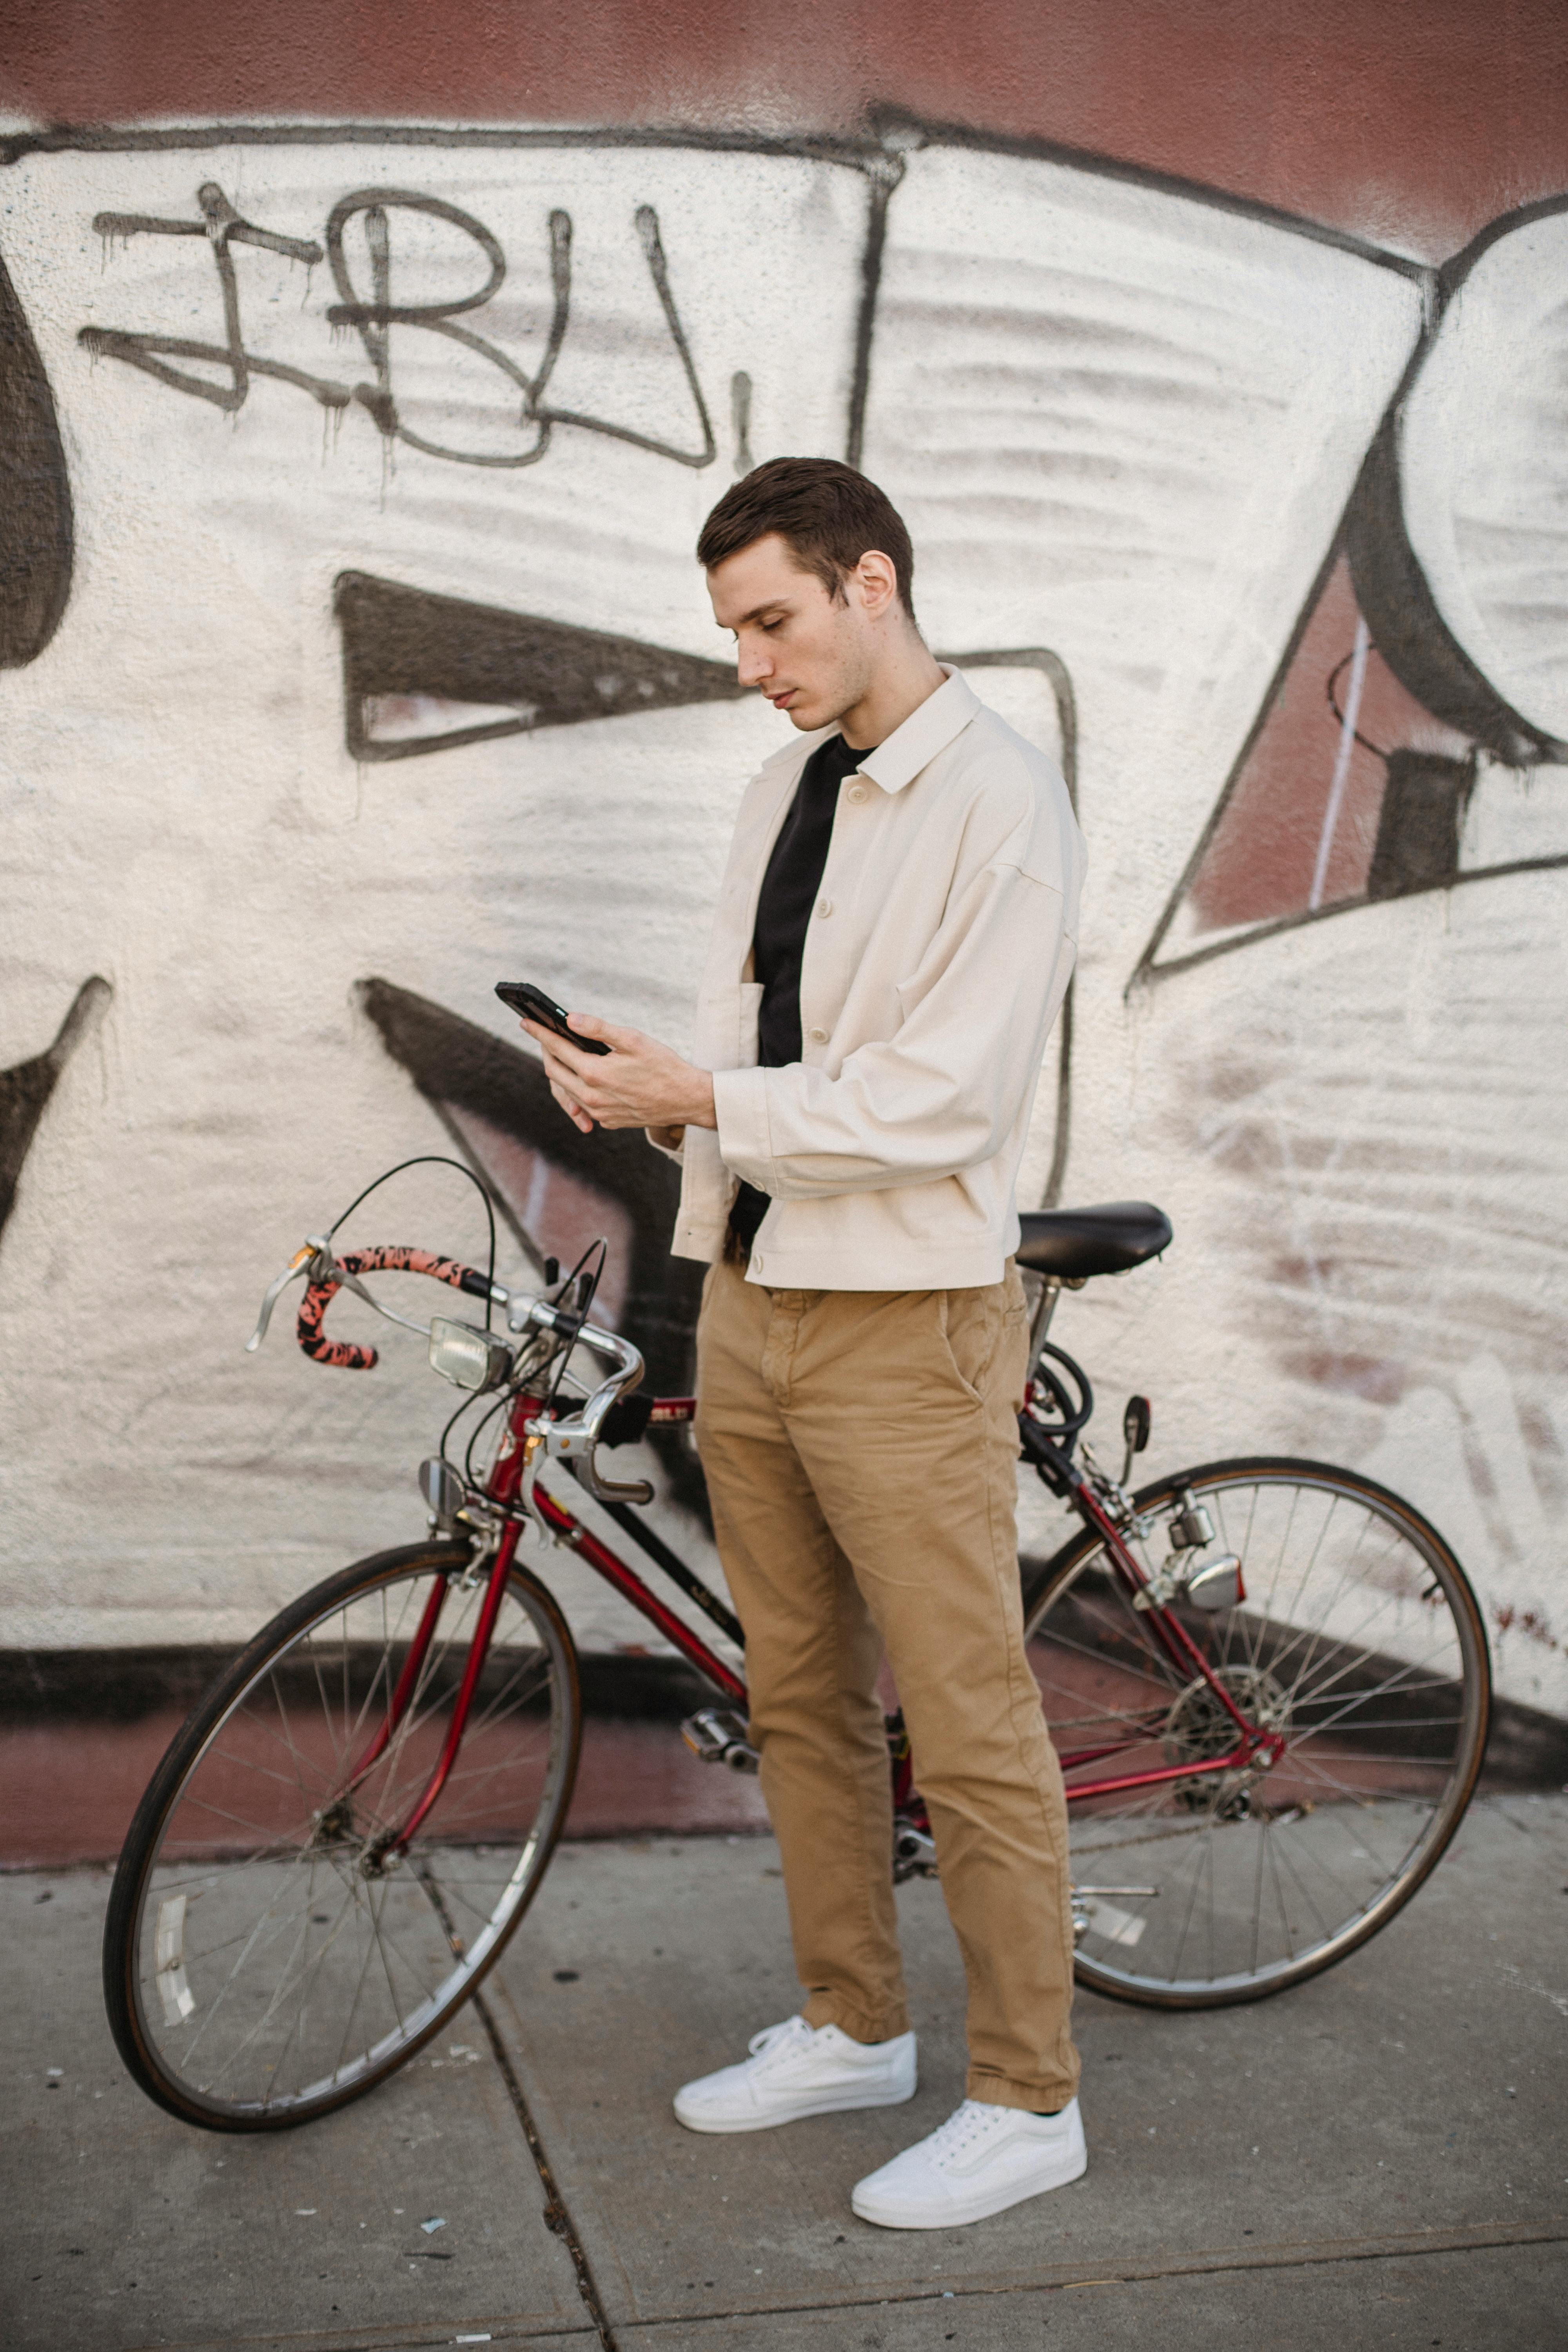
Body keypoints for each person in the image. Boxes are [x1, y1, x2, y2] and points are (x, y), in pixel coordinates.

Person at [519, 456, 1088, 2231]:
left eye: (771, 618)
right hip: (755, 1296)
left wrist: (711, 1094)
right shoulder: (784, 790)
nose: (750, 661)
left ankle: (1030, 2096)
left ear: (872, 581)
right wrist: (653, 1085)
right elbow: (775, 1058)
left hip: (906, 1317)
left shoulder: (1000, 796)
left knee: (970, 1720)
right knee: (800, 1700)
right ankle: (855, 2023)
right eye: (733, 632)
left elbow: (945, 1096)